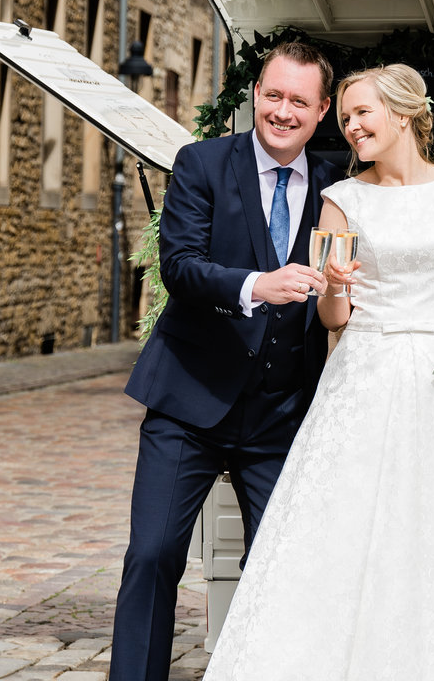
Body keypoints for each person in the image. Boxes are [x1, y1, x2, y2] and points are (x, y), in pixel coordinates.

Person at [202, 64, 434, 681]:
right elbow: (334, 318)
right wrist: (334, 286)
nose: (351, 126)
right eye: (345, 118)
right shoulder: (342, 201)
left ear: (405, 113)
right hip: (363, 374)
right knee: (344, 531)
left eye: (362, 113)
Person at [110, 40, 340, 681]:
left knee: (282, 566)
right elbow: (179, 268)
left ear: (321, 111)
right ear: (255, 94)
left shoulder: (337, 186)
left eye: (300, 101)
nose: (282, 111)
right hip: (189, 401)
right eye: (273, 94)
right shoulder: (202, 163)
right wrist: (256, 285)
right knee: (152, 555)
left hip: (279, 416)